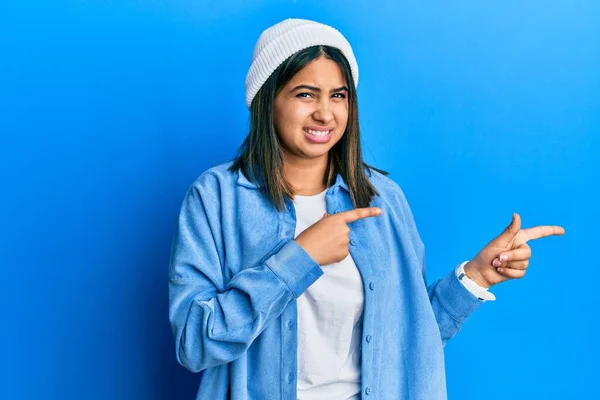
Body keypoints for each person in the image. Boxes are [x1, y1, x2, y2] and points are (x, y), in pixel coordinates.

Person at [168, 18, 565, 400]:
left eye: (338, 95)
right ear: (267, 100)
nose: (325, 113)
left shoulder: (382, 199)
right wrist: (299, 258)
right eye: (305, 94)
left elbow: (410, 343)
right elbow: (194, 343)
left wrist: (476, 275)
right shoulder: (216, 198)